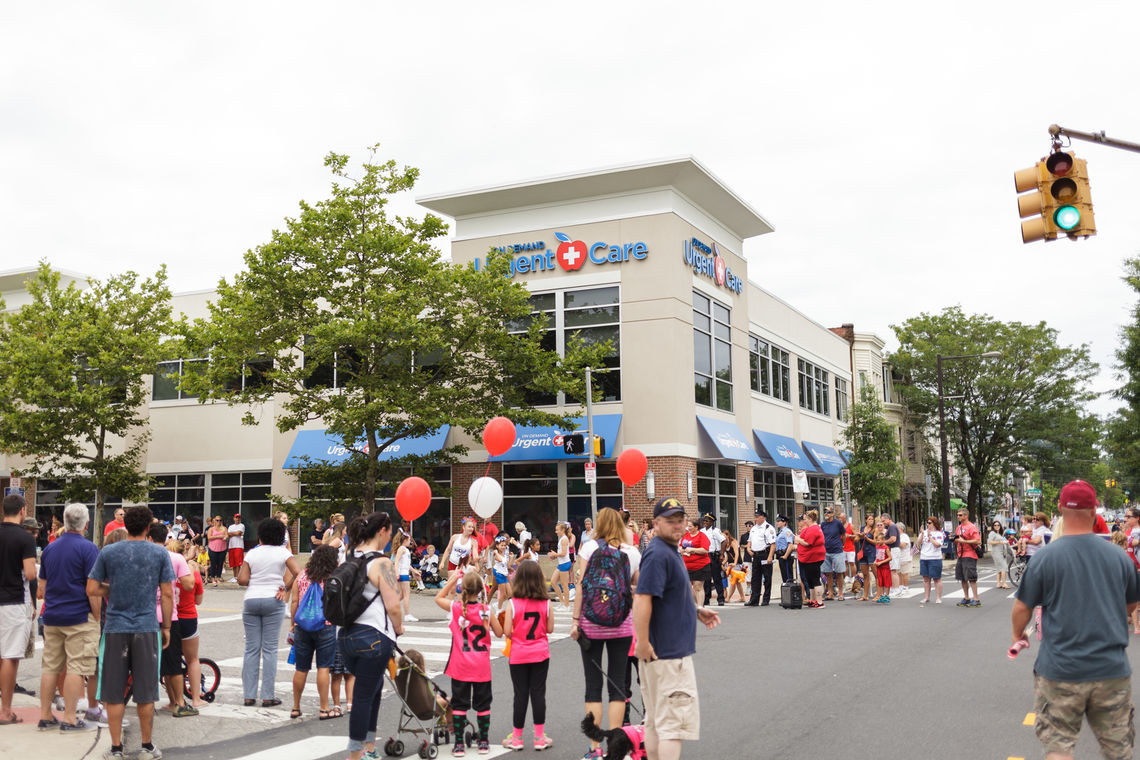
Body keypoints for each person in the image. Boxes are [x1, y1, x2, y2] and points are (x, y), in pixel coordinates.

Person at [1012, 480, 1140, 760]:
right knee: (1119, 751)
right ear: (1095, 511)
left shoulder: (1044, 558)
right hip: (1111, 669)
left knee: (1059, 748)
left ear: (1060, 508)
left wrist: (1018, 635)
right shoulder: (1120, 558)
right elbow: (1131, 604)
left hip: (1060, 669)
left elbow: (1022, 607)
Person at [634, 498, 720, 760]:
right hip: (668, 654)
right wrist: (644, 641)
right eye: (669, 520)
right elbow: (643, 598)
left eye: (680, 520)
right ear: (656, 523)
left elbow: (665, 596)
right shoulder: (659, 553)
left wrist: (695, 611)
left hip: (662, 651)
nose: (677, 525)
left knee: (656, 721)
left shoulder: (667, 550)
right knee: (672, 726)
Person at [86, 505, 174, 760]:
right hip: (146, 628)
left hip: (115, 628)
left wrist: (110, 591)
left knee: (113, 692)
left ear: (126, 525)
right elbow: (167, 593)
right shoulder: (159, 554)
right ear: (148, 527)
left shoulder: (109, 552)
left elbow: (92, 588)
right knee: (146, 691)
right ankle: (146, 747)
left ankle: (116, 749)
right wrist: (166, 626)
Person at [572, 507, 641, 760]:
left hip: (591, 624)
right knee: (617, 686)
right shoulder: (632, 552)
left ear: (599, 524)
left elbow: (580, 585)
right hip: (622, 625)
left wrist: (575, 620)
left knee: (593, 686)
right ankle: (617, 748)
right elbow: (637, 585)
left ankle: (594, 749)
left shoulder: (589, 549)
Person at [339, 511, 404, 760]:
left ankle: (369, 747)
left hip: (346, 637)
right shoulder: (382, 563)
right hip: (374, 637)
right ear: (382, 531)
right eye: (390, 532)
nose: (390, 537)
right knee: (364, 695)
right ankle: (356, 755)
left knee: (373, 687)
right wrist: (398, 627)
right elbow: (394, 605)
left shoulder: (348, 556)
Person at [35, 502, 100, 731]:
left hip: (52, 615)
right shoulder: (89, 549)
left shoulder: (50, 548)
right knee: (76, 667)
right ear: (86, 523)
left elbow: (41, 588)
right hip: (79, 616)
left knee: (50, 666)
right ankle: (70, 717)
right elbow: (93, 589)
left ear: (64, 521)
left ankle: (45, 715)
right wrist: (97, 617)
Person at [435, 568, 503, 756]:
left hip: (461, 666)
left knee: (459, 705)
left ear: (463, 589)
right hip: (481, 666)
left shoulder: (457, 608)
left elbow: (438, 598)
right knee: (483, 705)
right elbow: (499, 633)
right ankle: (483, 741)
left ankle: (458, 744)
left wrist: (454, 578)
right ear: (481, 590)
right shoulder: (486, 610)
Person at [237, 517, 300, 707]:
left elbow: (242, 579)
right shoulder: (283, 553)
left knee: (251, 648)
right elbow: (298, 572)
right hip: (274, 599)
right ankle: (267, 696)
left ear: (261, 535)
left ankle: (249, 695)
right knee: (270, 649)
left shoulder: (252, 554)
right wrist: (285, 587)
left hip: (252, 599)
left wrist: (256, 581)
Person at [501, 558, 554, 751]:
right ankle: (539, 738)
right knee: (538, 694)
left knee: (520, 695)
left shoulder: (512, 604)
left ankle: (517, 738)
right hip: (540, 653)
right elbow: (550, 629)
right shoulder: (546, 603)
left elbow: (507, 631)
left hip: (519, 654)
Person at [148, 523, 198, 717]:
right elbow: (188, 585)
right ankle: (178, 703)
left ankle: (149, 701)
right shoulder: (176, 558)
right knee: (173, 662)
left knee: (146, 662)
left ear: (149, 538)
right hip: (169, 616)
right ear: (167, 538)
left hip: (144, 615)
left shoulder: (142, 555)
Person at [289, 545, 339, 720]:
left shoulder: (302, 576)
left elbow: (294, 602)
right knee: (323, 667)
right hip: (326, 624)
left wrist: (292, 624)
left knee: (301, 668)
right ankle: (324, 708)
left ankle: (295, 707)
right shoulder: (332, 578)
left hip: (302, 626)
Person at [0, 493, 36, 725]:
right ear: (22, 510)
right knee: (10, 657)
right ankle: (5, 711)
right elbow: (31, 573)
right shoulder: (25, 538)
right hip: (14, 601)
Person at [174, 540, 206, 708]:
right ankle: (196, 699)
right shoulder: (193, 574)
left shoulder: (167, 572)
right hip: (188, 618)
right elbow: (199, 601)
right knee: (192, 659)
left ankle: (174, 700)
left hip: (171, 618)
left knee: (172, 660)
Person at [794, 510, 826, 608]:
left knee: (815, 579)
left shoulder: (814, 529)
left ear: (810, 519)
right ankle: (812, 600)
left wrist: (799, 540)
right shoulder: (811, 528)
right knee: (809, 579)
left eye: (806, 519)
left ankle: (820, 601)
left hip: (814, 557)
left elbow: (808, 543)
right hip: (808, 558)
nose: (804, 521)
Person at [745, 510, 776, 606]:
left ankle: (766, 599)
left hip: (765, 554)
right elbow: (749, 541)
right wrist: (749, 549)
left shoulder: (768, 528)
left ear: (763, 517)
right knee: (755, 578)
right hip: (756, 555)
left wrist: (770, 557)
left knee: (767, 578)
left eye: (758, 517)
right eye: (755, 516)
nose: (756, 518)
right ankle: (754, 599)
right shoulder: (753, 528)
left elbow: (773, 544)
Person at [953, 507, 983, 607]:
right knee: (962, 577)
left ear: (966, 516)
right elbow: (958, 539)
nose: (958, 517)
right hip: (960, 554)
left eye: (960, 515)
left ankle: (976, 599)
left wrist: (964, 541)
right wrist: (953, 539)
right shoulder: (958, 528)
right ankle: (966, 598)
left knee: (971, 578)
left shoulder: (972, 527)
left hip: (969, 555)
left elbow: (978, 541)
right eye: (957, 515)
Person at [679, 519, 710, 606]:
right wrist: (681, 549)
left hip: (700, 565)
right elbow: (681, 545)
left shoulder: (702, 536)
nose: (688, 528)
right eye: (687, 526)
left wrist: (693, 549)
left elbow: (705, 550)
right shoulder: (686, 535)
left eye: (690, 526)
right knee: (687, 587)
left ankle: (700, 607)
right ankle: (694, 605)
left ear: (696, 527)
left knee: (697, 586)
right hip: (687, 565)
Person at [819, 508, 846, 601]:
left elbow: (844, 535)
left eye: (828, 512)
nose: (826, 513)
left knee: (839, 573)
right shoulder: (823, 524)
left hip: (837, 551)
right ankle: (830, 593)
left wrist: (842, 545)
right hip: (826, 551)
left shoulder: (838, 523)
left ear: (832, 514)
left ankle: (840, 593)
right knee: (828, 573)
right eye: (825, 512)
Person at [442, 517, 480, 584]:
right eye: (469, 527)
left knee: (462, 587)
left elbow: (475, 555)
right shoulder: (455, 537)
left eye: (472, 527)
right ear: (463, 527)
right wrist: (442, 562)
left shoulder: (474, 542)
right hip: (453, 563)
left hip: (464, 566)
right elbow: (448, 550)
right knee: (451, 588)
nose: (471, 528)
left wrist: (477, 559)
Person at [917, 517, 945, 605]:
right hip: (924, 558)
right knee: (926, 579)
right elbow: (919, 543)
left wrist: (930, 536)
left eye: (929, 523)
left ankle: (938, 598)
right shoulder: (924, 532)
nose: (928, 525)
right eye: (927, 523)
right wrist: (922, 534)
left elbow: (937, 545)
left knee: (936, 579)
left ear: (934, 523)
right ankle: (926, 597)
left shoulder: (939, 533)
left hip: (935, 558)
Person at [393, 531, 419, 623]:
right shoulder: (402, 549)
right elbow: (396, 562)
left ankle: (388, 608)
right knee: (406, 595)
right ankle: (407, 614)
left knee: (401, 595)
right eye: (409, 540)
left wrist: (414, 571)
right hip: (402, 574)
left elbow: (407, 564)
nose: (410, 542)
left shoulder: (405, 549)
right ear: (405, 540)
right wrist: (397, 573)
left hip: (403, 573)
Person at [698, 514, 725, 607]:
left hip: (713, 556)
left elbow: (724, 541)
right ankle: (706, 598)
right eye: (704, 521)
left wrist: (721, 554)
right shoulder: (701, 531)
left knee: (717, 578)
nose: (705, 523)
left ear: (712, 522)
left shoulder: (716, 531)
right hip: (704, 555)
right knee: (706, 579)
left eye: (707, 521)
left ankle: (720, 598)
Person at [547, 522, 572, 609]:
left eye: (557, 530)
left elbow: (564, 553)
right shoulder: (562, 539)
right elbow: (562, 553)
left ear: (562, 530)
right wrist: (554, 556)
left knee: (564, 585)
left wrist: (555, 554)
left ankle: (566, 605)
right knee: (553, 582)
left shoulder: (564, 539)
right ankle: (562, 602)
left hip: (565, 564)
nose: (555, 532)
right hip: (562, 563)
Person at [855, 514, 877, 601]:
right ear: (866, 520)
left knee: (876, 575)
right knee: (865, 575)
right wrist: (859, 536)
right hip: (863, 552)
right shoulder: (862, 528)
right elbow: (856, 540)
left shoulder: (874, 530)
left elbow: (875, 542)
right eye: (869, 519)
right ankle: (865, 596)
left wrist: (866, 538)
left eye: (872, 519)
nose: (871, 520)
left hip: (871, 553)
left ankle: (879, 594)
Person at [989, 519, 1012, 589]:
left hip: (1002, 552)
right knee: (1004, 567)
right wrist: (1000, 542)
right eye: (995, 525)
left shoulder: (999, 534)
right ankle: (1004, 583)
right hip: (996, 552)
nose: (996, 526)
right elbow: (990, 542)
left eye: (998, 525)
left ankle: (998, 583)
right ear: (993, 526)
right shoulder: (992, 533)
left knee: (999, 568)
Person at [205, 516, 228, 587]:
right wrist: (219, 536)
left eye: (220, 520)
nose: (219, 522)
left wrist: (225, 537)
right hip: (213, 548)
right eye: (217, 520)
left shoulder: (224, 528)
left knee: (220, 564)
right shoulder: (211, 529)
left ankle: (218, 577)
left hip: (222, 548)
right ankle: (212, 578)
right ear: (214, 521)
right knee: (213, 564)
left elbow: (227, 535)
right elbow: (209, 537)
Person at [880, 513, 901, 591]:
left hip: (894, 550)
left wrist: (884, 542)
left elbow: (893, 539)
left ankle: (896, 589)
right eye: (882, 521)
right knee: (892, 570)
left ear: (888, 519)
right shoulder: (892, 527)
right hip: (893, 550)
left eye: (884, 521)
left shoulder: (892, 527)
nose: (883, 523)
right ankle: (894, 588)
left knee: (893, 571)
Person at [774, 514, 795, 587]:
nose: (777, 523)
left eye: (779, 521)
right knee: (784, 576)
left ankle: (790, 592)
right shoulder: (780, 532)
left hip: (786, 556)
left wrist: (785, 556)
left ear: (784, 522)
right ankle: (787, 592)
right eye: (777, 521)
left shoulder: (787, 531)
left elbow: (790, 545)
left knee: (788, 577)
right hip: (781, 555)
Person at [872, 528, 892, 603]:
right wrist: (875, 561)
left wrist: (881, 562)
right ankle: (881, 595)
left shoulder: (886, 548)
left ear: (883, 540)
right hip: (879, 567)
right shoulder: (877, 547)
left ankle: (887, 595)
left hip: (885, 567)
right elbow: (877, 556)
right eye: (877, 540)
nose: (877, 542)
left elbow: (890, 558)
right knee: (880, 581)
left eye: (879, 540)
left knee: (887, 581)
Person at [227, 513, 246, 581]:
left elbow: (238, 533)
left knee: (238, 563)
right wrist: (235, 533)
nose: (237, 519)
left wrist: (232, 533)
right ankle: (234, 577)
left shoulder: (242, 525)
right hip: (231, 546)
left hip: (239, 546)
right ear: (234, 518)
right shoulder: (231, 526)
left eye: (238, 518)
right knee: (233, 563)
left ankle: (238, 577)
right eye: (236, 517)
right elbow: (228, 534)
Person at [895, 522, 912, 597]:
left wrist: (895, 541)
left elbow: (902, 545)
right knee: (899, 574)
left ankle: (905, 588)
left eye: (896, 528)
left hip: (905, 557)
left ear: (900, 529)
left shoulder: (904, 536)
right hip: (898, 558)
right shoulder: (898, 536)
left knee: (904, 573)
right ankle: (900, 587)